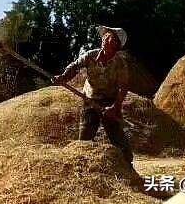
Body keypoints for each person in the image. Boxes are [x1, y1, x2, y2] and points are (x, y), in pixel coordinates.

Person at [52, 25, 133, 165]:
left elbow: (123, 87)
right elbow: (75, 66)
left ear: (116, 45)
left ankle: (129, 169)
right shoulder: (90, 55)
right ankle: (80, 170)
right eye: (105, 36)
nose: (105, 39)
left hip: (110, 103)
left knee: (120, 143)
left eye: (110, 38)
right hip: (90, 100)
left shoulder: (120, 64)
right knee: (84, 142)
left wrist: (115, 107)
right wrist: (64, 77)